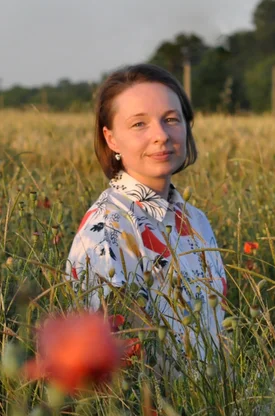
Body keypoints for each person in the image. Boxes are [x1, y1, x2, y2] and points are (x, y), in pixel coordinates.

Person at [66, 63, 228, 361]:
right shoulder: (107, 230)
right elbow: (113, 361)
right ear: (111, 138)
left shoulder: (195, 220)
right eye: (139, 124)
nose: (161, 135)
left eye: (171, 119)